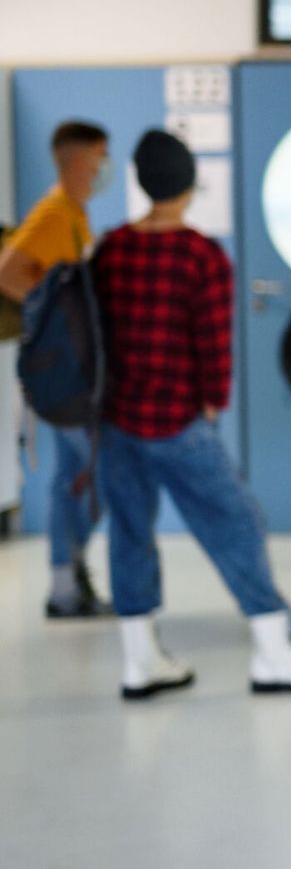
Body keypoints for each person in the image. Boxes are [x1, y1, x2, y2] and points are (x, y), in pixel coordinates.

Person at [93, 129, 291, 700]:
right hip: (178, 420)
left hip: (115, 420)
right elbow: (212, 345)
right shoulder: (199, 253)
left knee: (129, 532)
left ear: (140, 181)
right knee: (237, 525)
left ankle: (139, 659)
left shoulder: (112, 248)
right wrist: (212, 405)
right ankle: (274, 649)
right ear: (187, 184)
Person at [0, 119, 113, 618]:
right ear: (78, 159)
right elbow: (8, 272)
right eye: (101, 155)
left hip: (72, 369)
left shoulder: (74, 214)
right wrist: (50, 314)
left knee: (74, 474)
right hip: (63, 373)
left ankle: (67, 582)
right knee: (94, 473)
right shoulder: (52, 214)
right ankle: (66, 581)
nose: (105, 166)